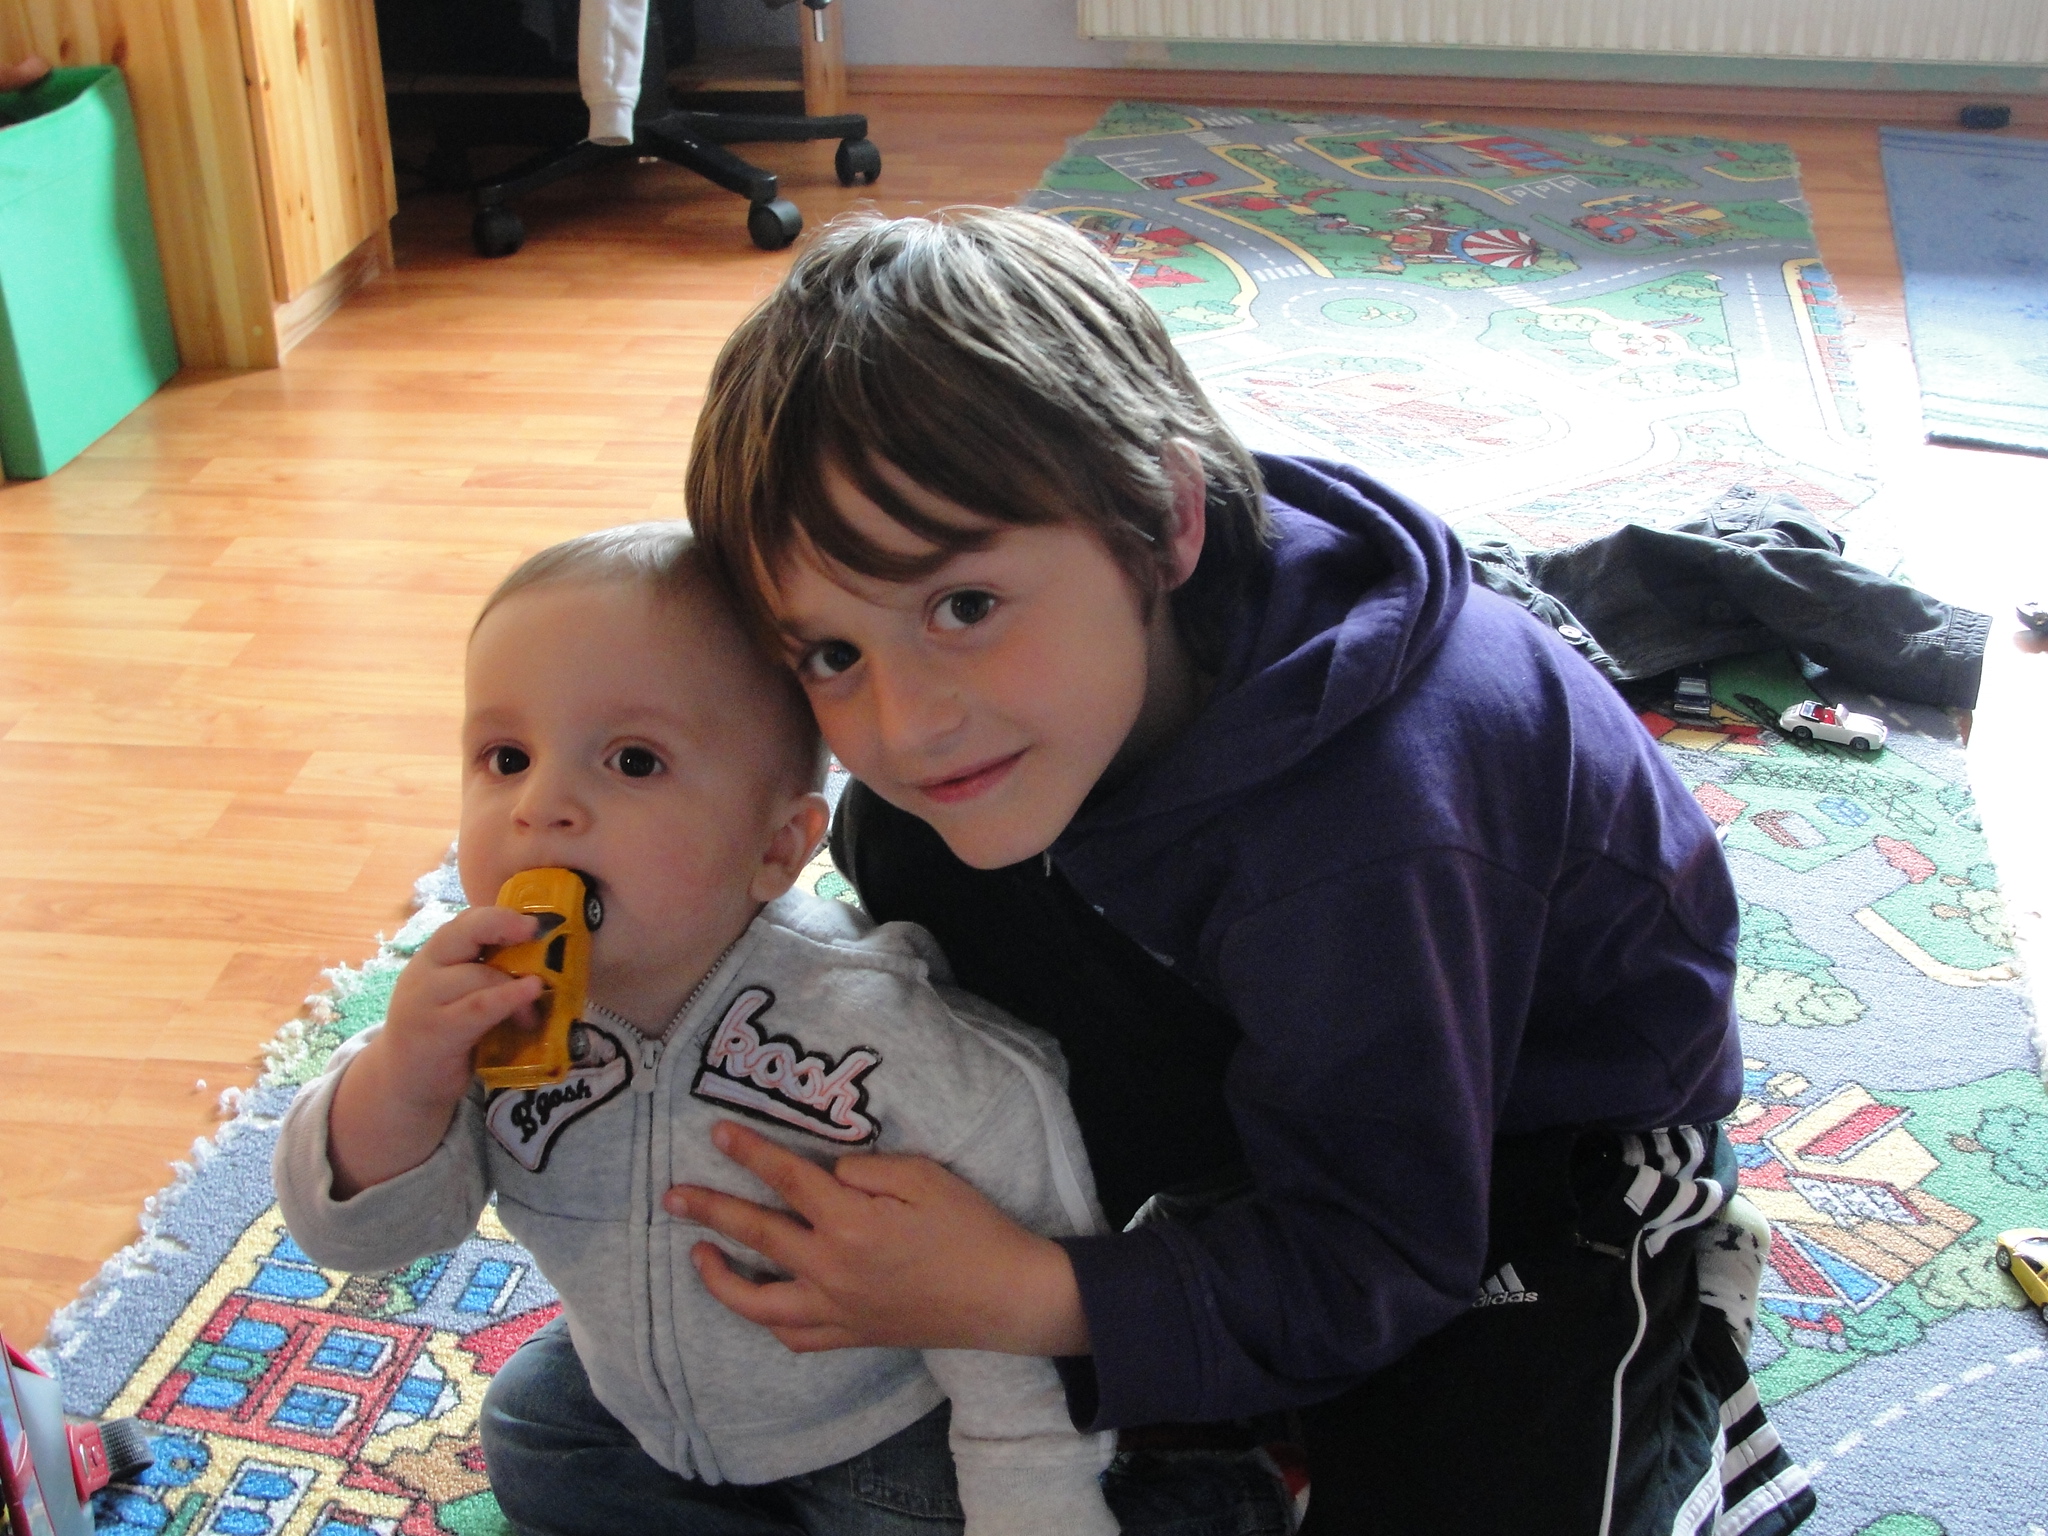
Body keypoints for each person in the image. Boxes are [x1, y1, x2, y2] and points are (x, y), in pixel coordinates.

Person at [674, 207, 1816, 1536]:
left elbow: (1386, 1243)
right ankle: (1202, 1367)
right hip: (1273, 1018)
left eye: (964, 606)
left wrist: (1024, 1296)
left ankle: (1663, 1345)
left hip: (1532, 1140)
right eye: (831, 653)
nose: (902, 722)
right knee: (902, 841)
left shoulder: (1372, 831)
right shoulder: (974, 755)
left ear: (1167, 523)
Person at [271, 524, 1216, 1536]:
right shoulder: (472, 1018)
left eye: (632, 761)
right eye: (506, 758)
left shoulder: (877, 1029)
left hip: (884, 1419)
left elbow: (1009, 1245)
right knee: (530, 1430)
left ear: (776, 846)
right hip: (643, 1402)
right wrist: (403, 1081)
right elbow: (367, 1242)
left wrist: (1032, 1498)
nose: (542, 808)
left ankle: (1220, 1497)